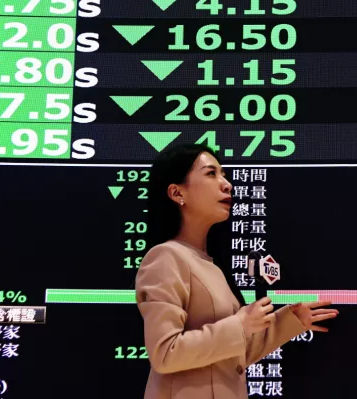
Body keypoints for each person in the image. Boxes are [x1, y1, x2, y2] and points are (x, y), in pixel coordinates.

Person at [135, 144, 338, 398]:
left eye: (224, 174)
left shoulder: (212, 265)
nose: (227, 184)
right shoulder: (165, 257)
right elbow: (165, 353)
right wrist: (240, 324)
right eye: (211, 174)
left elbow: (231, 352)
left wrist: (291, 320)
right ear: (177, 193)